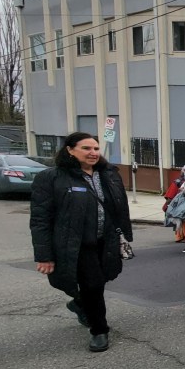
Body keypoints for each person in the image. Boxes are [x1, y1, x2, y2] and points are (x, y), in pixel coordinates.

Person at [30, 132, 133, 352]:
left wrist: (124, 236)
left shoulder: (109, 174)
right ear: (70, 150)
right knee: (93, 284)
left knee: (100, 280)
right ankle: (99, 330)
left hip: (106, 241)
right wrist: (44, 255)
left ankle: (79, 304)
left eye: (96, 148)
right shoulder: (52, 178)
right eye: (86, 148)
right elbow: (40, 219)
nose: (93, 153)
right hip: (77, 243)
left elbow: (120, 208)